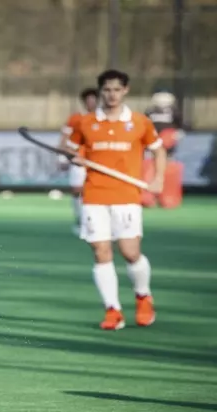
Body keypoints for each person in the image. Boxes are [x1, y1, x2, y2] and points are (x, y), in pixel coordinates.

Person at [67, 69, 166, 330]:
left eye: (116, 89)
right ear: (101, 92)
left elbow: (158, 151)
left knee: (130, 252)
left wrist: (158, 180)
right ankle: (113, 310)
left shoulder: (140, 122)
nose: (111, 95)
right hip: (95, 196)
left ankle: (143, 296)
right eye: (107, 90)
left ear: (125, 90)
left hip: (126, 197)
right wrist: (72, 156)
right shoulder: (86, 123)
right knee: (101, 252)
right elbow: (71, 149)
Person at [58, 87, 98, 235]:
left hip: (95, 162)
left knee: (93, 192)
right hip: (77, 160)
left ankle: (93, 222)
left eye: (94, 99)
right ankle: (80, 220)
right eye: (88, 100)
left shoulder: (102, 118)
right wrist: (61, 156)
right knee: (76, 191)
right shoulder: (75, 118)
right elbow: (64, 139)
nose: (91, 103)